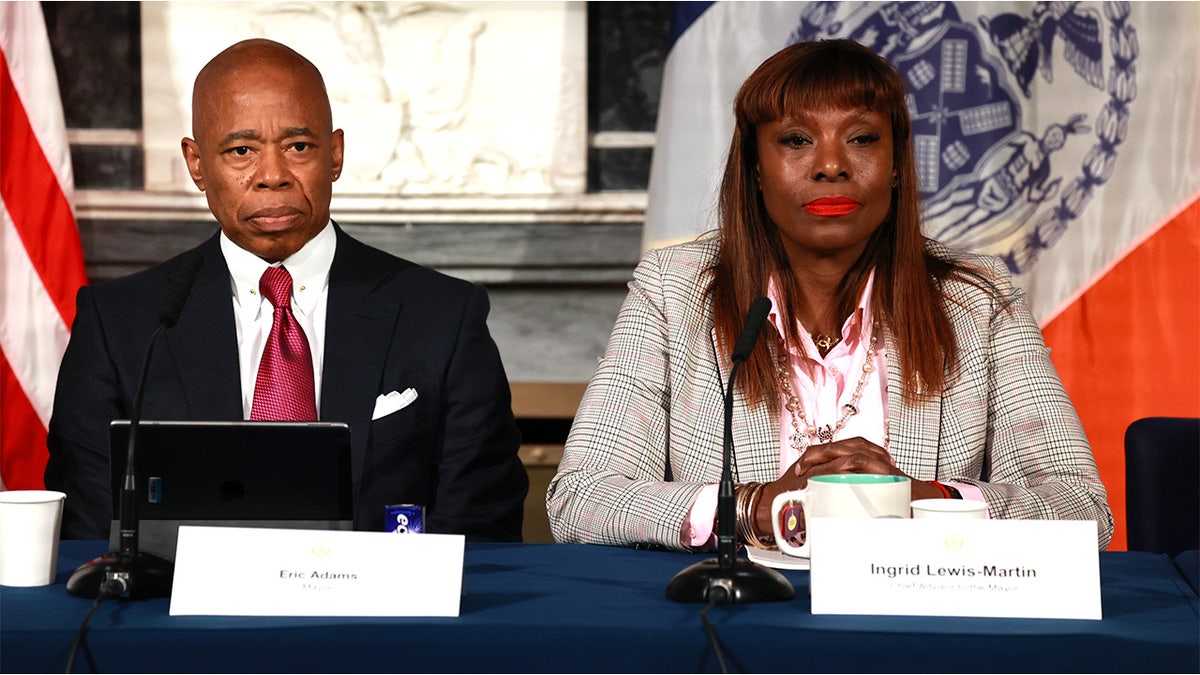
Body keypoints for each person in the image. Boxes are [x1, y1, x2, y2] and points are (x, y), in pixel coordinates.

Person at [546, 39, 1113, 551]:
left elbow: (1080, 508)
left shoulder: (979, 300)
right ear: (755, 167)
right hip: (739, 617)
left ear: (896, 165)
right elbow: (581, 499)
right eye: (796, 140)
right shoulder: (672, 291)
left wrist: (918, 498)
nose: (832, 166)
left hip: (918, 622)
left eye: (862, 139)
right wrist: (757, 507)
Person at [45, 39, 528, 542]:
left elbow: (482, 526)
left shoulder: (443, 317)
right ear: (196, 164)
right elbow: (92, 529)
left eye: (298, 147)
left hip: (381, 616)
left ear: (335, 154)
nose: (273, 176)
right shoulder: (120, 324)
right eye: (241, 151)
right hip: (178, 614)